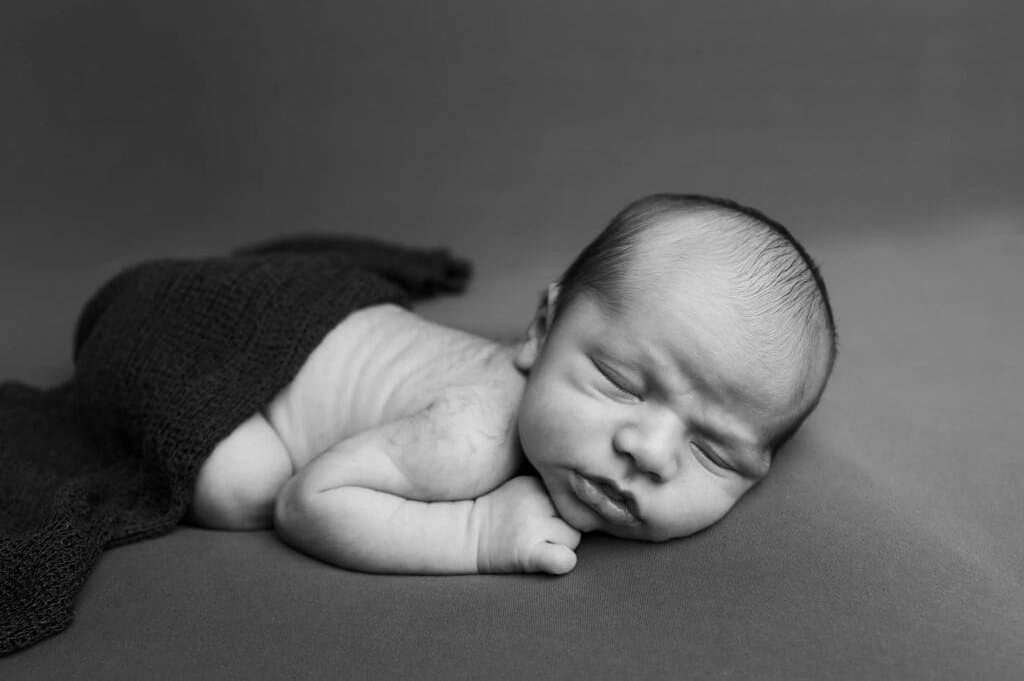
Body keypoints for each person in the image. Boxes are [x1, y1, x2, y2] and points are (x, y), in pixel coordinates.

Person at [186, 193, 838, 575]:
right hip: (241, 341)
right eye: (618, 381)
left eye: (715, 451)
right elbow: (309, 501)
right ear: (541, 330)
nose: (650, 450)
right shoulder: (470, 435)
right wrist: (478, 532)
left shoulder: (587, 430)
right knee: (237, 486)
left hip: (340, 330)